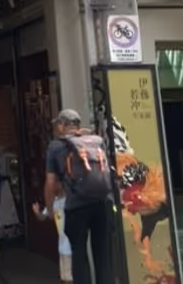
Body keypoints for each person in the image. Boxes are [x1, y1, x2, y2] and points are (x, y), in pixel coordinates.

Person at [36, 110, 112, 284]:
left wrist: (49, 208)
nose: (56, 128)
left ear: (62, 125)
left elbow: (50, 182)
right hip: (101, 203)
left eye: (57, 124)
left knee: (78, 255)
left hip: (76, 206)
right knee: (103, 255)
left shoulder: (56, 147)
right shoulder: (94, 141)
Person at [32, 194, 73, 284]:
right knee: (64, 278)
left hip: (71, 246)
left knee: (69, 278)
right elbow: (43, 216)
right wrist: (36, 212)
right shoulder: (54, 201)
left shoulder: (70, 198)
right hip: (62, 246)